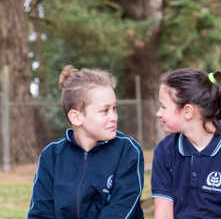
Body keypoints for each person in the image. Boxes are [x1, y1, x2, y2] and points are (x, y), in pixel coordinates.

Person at [28, 65, 144, 219]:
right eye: (105, 111)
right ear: (76, 117)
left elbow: (120, 209)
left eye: (114, 108)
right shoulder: (51, 155)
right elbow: (40, 211)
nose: (114, 117)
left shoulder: (128, 150)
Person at [151, 68, 221, 219]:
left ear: (187, 111)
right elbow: (164, 213)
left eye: (164, 107)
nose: (158, 113)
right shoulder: (164, 149)